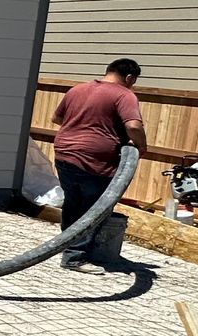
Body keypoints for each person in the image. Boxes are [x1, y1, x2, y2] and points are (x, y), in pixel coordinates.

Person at [51, 59, 147, 270]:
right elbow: (133, 126)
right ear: (130, 77)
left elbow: (56, 119)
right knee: (95, 208)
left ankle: (64, 246)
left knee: (73, 202)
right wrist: (142, 145)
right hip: (94, 160)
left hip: (65, 154)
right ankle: (75, 257)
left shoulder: (77, 89)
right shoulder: (124, 95)